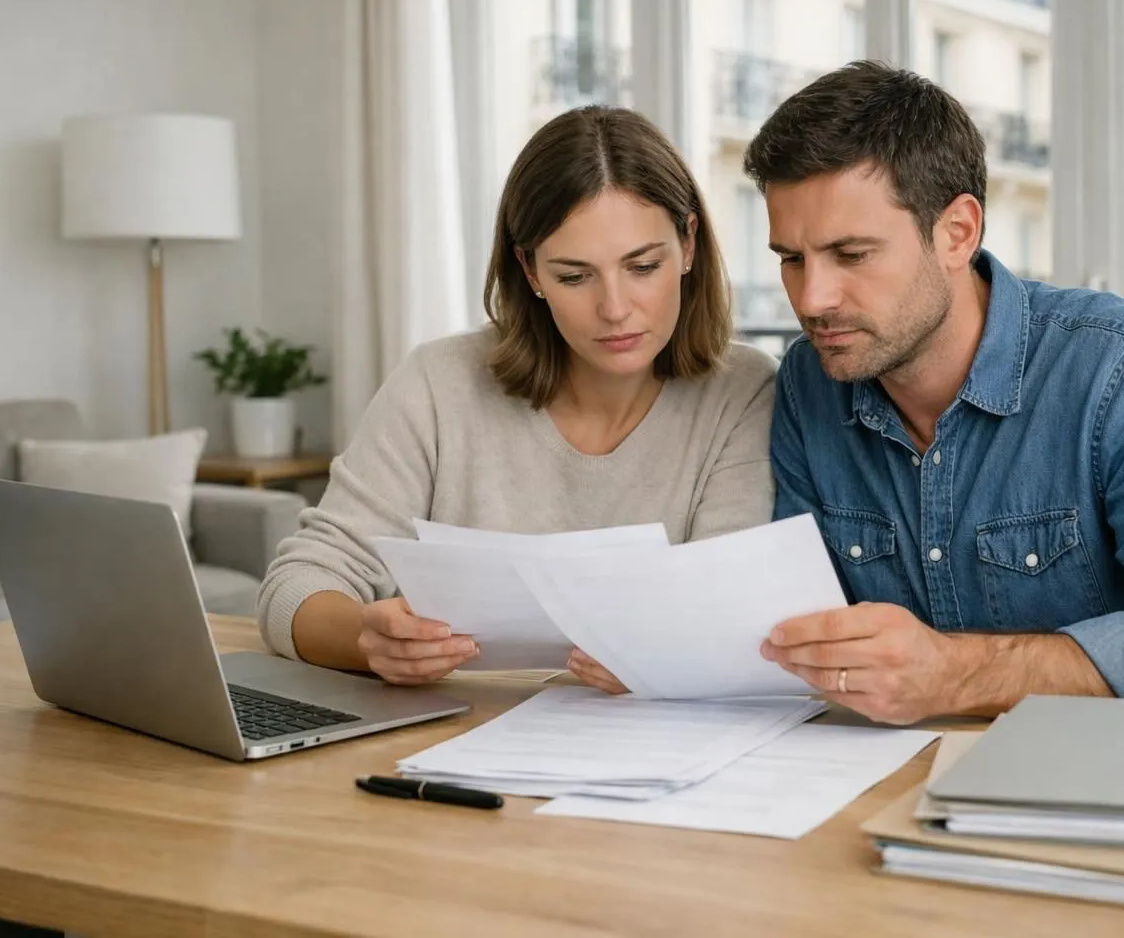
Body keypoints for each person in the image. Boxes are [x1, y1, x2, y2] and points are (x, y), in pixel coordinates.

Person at [745, 62, 1124, 724]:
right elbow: (792, 631)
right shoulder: (811, 384)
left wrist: (956, 675)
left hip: (1107, 793)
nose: (812, 300)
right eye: (791, 259)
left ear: (957, 233)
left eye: (852, 255)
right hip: (889, 788)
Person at [258, 106, 777, 691]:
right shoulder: (438, 383)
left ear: (688, 245)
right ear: (530, 270)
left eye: (642, 266)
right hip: (443, 744)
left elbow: (730, 611)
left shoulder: (744, 392)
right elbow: (296, 586)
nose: (614, 308)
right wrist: (366, 640)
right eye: (574, 276)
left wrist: (673, 651)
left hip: (662, 757)